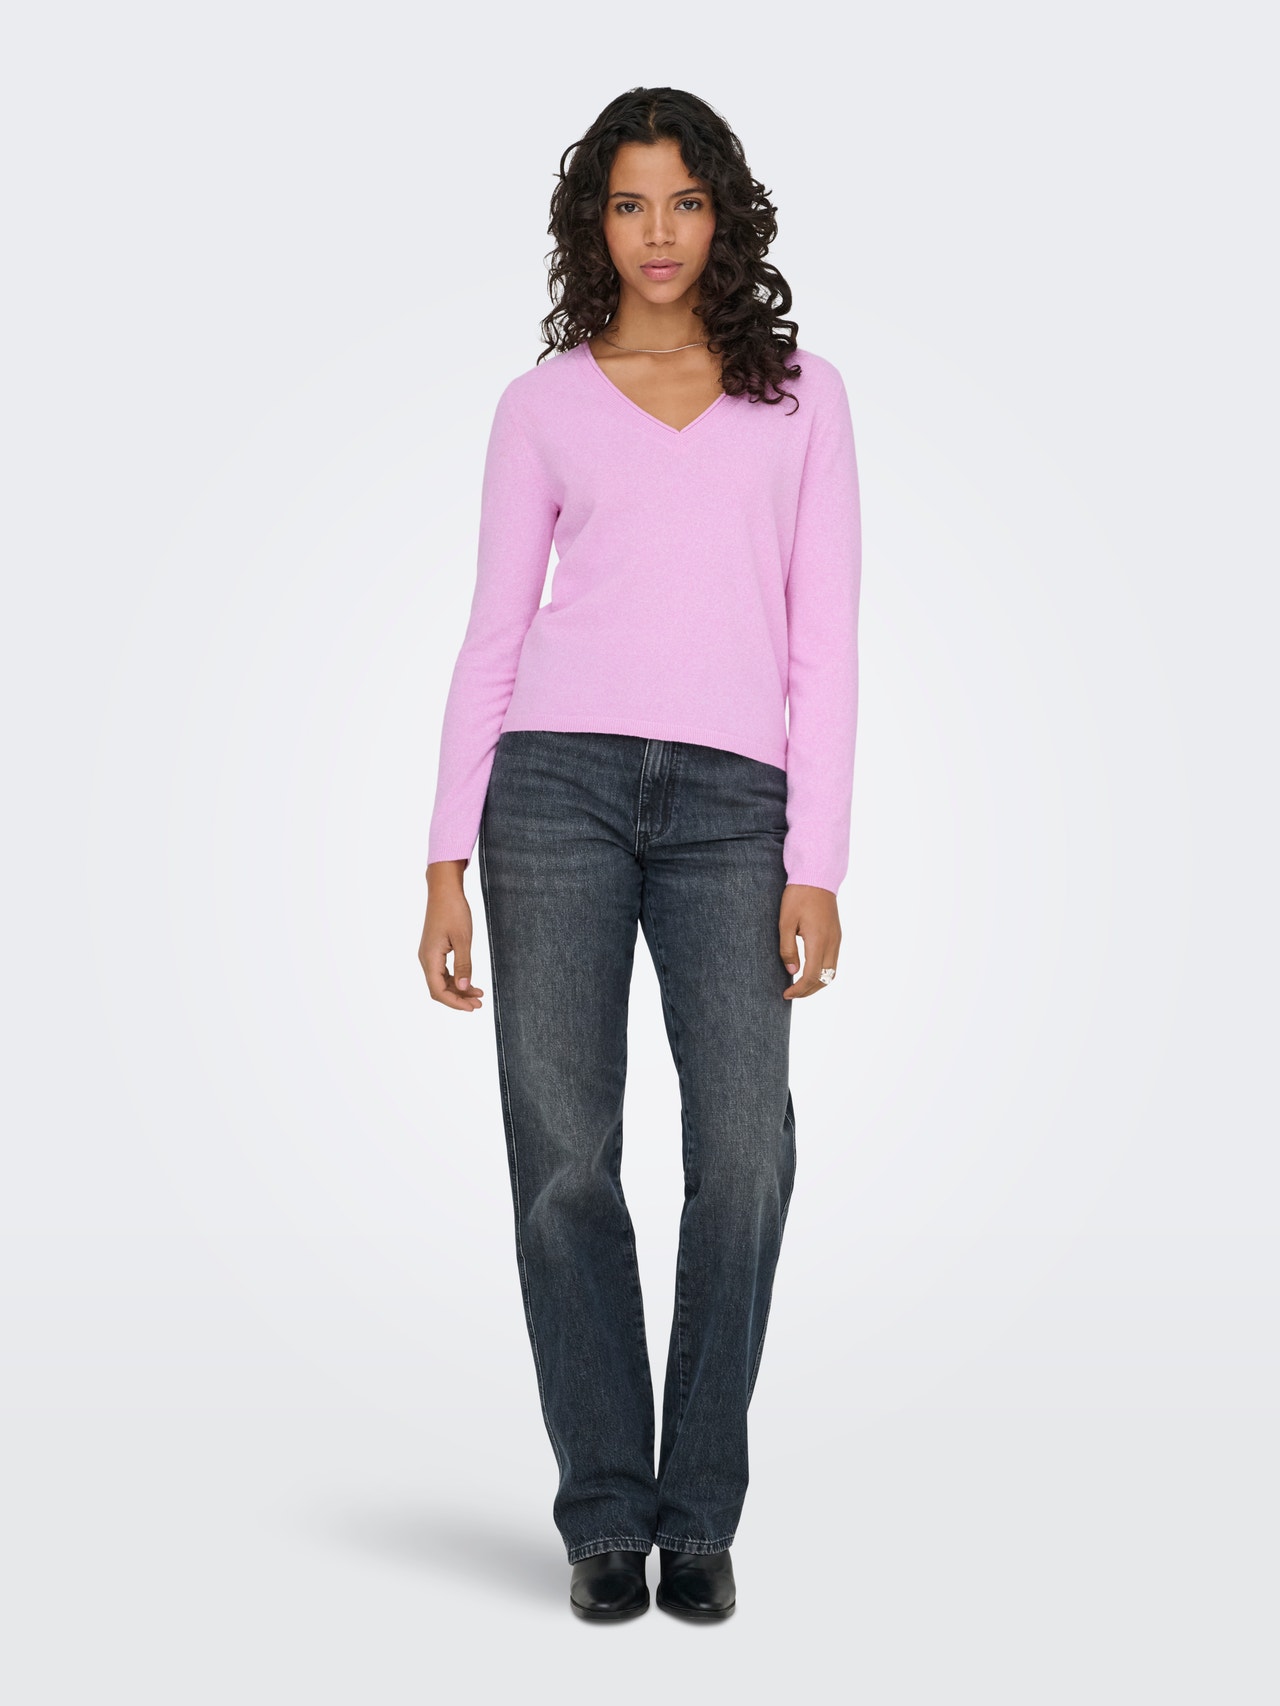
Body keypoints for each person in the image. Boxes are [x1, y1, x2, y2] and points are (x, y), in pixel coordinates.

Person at [418, 85, 861, 1623]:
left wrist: (819, 859)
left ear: (722, 214)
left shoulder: (802, 398)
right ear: (591, 223)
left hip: (738, 808)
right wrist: (442, 858)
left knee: (743, 1151)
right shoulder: (540, 405)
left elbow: (826, 641)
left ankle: (701, 1508)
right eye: (628, 202)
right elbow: (493, 632)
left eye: (683, 200)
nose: (657, 231)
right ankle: (608, 1511)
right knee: (564, 1155)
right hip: (555, 792)